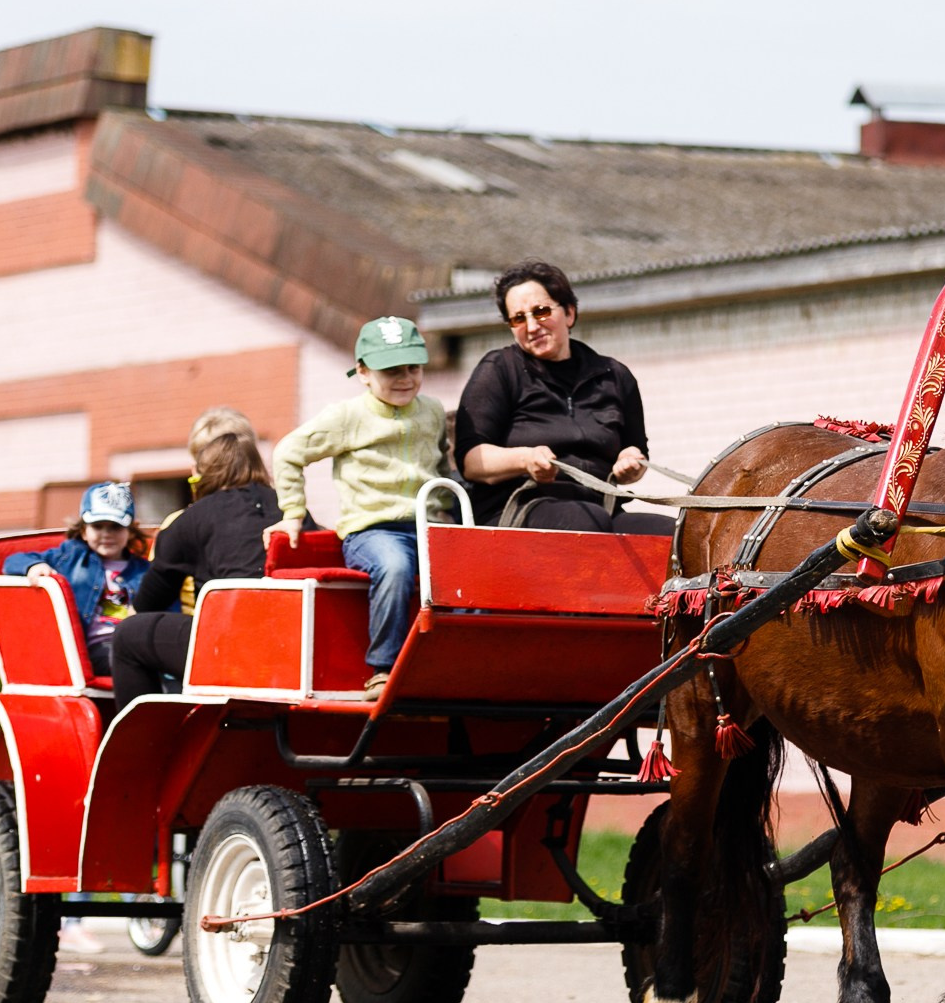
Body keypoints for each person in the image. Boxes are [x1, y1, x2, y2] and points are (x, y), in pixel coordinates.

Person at [266, 316, 446, 696]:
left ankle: (454, 664)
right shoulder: (347, 416)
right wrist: (293, 512)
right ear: (363, 372)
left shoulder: (432, 411)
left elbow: (440, 470)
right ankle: (383, 669)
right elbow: (288, 453)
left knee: (470, 573)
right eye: (391, 370)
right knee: (394, 567)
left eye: (413, 368)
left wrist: (455, 518)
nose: (405, 378)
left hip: (428, 529)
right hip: (372, 530)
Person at [454, 260, 673, 535]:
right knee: (586, 522)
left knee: (675, 535)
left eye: (541, 311)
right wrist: (525, 459)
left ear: (569, 313)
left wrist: (631, 462)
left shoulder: (615, 376)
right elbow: (471, 462)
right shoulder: (499, 369)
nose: (531, 326)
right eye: (518, 318)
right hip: (518, 509)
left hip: (602, 510)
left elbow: (635, 450)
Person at [110, 408, 282, 709]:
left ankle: (150, 736)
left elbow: (148, 603)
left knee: (126, 636)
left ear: (203, 470)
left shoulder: (189, 521)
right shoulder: (293, 512)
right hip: (290, 643)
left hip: (229, 647)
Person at [1, 482, 149, 677]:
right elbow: (12, 561)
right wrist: (34, 566)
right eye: (97, 526)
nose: (106, 534)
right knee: (130, 662)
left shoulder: (144, 570)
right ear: (83, 531)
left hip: (138, 644)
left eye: (116, 527)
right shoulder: (71, 556)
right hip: (95, 648)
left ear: (131, 531)